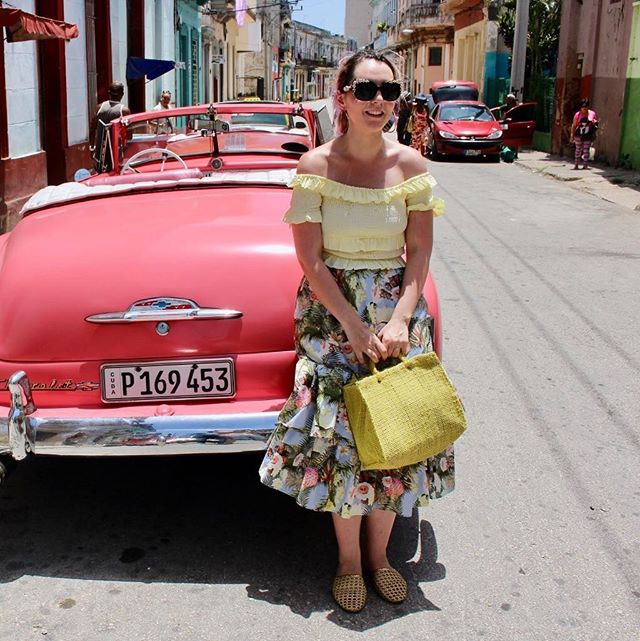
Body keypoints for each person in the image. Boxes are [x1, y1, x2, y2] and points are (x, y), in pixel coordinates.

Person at [258, 50, 452, 613]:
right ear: (341, 95)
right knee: (344, 442)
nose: (379, 102)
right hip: (331, 312)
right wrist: (351, 324)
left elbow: (419, 253)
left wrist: (396, 321)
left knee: (393, 433)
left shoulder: (412, 167)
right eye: (366, 90)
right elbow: (311, 260)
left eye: (389, 92)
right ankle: (347, 562)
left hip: (395, 312)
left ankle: (381, 558)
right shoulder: (315, 167)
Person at [90, 82, 130, 172]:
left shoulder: (99, 107)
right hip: (116, 153)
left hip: (100, 152)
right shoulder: (124, 111)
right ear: (122, 94)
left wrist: (92, 147)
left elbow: (92, 128)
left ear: (109, 93)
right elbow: (129, 135)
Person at [570, 98, 598, 170]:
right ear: (580, 107)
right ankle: (576, 164)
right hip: (578, 135)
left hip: (588, 134)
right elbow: (574, 125)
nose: (584, 108)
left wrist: (594, 132)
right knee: (578, 150)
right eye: (583, 107)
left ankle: (585, 165)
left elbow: (595, 124)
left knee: (586, 150)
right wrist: (572, 135)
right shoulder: (577, 115)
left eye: (586, 106)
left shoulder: (592, 113)